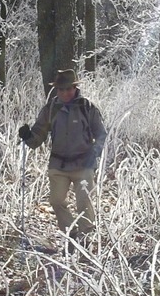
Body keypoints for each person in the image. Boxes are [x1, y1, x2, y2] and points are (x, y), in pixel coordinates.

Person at [19, 69, 107, 243]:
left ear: (75, 88)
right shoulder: (51, 108)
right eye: (61, 89)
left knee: (84, 203)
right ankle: (71, 235)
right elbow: (38, 136)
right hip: (58, 165)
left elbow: (101, 134)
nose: (65, 93)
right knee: (56, 201)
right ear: (56, 90)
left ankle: (87, 239)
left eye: (69, 89)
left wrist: (94, 153)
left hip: (83, 164)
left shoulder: (87, 107)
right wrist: (28, 136)